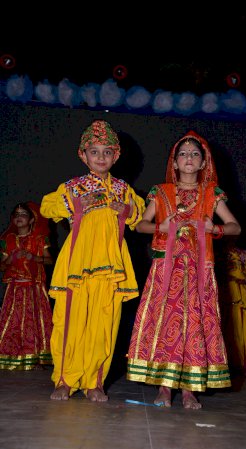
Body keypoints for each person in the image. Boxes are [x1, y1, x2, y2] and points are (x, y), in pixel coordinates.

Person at [126, 130, 241, 409]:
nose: (189, 158)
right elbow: (141, 225)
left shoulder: (212, 194)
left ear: (203, 163)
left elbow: (236, 226)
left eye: (195, 154)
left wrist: (214, 227)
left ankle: (190, 388)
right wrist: (161, 227)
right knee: (166, 323)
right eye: (183, 154)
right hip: (166, 269)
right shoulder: (161, 192)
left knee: (195, 325)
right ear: (174, 162)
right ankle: (165, 388)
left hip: (200, 270)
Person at [40, 119, 145, 401]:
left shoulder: (123, 189)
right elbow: (47, 206)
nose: (101, 157)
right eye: (94, 151)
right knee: (69, 322)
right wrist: (76, 204)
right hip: (76, 265)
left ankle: (95, 382)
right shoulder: (73, 187)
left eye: (106, 152)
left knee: (105, 324)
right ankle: (64, 379)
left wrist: (126, 209)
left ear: (116, 156)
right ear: (82, 155)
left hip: (111, 268)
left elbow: (141, 215)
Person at [0, 202, 53, 370]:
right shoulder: (7, 240)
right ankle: (12, 357)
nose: (19, 217)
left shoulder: (39, 239)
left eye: (23, 214)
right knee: (13, 321)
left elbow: (50, 260)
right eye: (16, 214)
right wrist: (9, 260)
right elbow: (2, 266)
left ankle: (36, 359)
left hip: (34, 288)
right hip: (15, 288)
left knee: (35, 323)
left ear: (31, 220)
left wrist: (34, 257)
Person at [217, 237, 246, 376]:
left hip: (241, 301)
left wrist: (243, 280)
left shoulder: (244, 255)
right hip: (223, 299)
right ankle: (223, 367)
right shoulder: (218, 253)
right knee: (224, 334)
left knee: (243, 336)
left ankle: (242, 367)